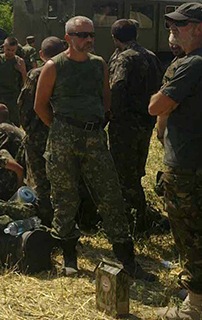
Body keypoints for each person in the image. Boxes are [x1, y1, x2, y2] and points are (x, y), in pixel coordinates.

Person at [34, 16, 155, 281]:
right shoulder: (54, 66)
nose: (88, 39)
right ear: (68, 38)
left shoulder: (99, 64)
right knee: (65, 198)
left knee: (111, 196)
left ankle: (128, 259)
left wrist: (97, 122)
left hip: (95, 138)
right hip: (64, 138)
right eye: (81, 35)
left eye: (91, 35)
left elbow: (106, 99)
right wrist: (61, 128)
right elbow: (40, 105)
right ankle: (69, 257)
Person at [149, 3, 202, 319]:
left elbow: (157, 106)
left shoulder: (193, 64)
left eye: (178, 27)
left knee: (190, 233)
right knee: (200, 228)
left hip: (187, 163)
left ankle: (196, 307)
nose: (172, 31)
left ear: (198, 29)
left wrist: (160, 97)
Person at [108, 19, 163, 231]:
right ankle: (140, 216)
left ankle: (134, 222)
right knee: (137, 168)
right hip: (145, 122)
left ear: (115, 38)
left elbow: (117, 88)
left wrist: (111, 114)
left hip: (125, 124)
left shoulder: (123, 59)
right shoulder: (151, 56)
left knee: (123, 171)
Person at [17, 36, 64, 225]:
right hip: (66, 131)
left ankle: (45, 219)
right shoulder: (71, 70)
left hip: (39, 131)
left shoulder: (36, 74)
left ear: (41, 54)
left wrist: (28, 127)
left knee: (39, 177)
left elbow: (24, 105)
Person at [0, 37, 27, 126]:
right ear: (4, 47)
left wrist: (21, 71)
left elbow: (25, 81)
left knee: (14, 124)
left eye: (13, 50)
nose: (10, 52)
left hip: (13, 97)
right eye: (8, 50)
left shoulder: (19, 61)